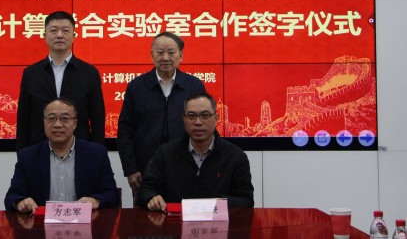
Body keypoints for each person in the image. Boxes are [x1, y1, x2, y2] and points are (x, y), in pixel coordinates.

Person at [117, 31, 206, 197]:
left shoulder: (194, 86)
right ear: (152, 56)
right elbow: (125, 131)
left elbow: (204, 128)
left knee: (184, 212)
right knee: (147, 212)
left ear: (181, 55)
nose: (165, 57)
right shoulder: (136, 87)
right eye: (160, 53)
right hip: (145, 170)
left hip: (187, 168)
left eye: (171, 52)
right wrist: (130, 169)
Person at [138, 92, 254, 210]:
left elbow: (247, 201)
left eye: (205, 115)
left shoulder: (235, 156)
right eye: (191, 116)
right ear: (184, 119)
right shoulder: (166, 153)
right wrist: (152, 197)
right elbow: (146, 189)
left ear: (216, 118)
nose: (198, 122)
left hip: (218, 221)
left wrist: (222, 203)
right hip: (175, 221)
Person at [4, 98, 119, 213]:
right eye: (51, 118)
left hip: (85, 222)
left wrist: (96, 201)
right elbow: (12, 196)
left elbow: (112, 195)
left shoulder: (96, 154)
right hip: (41, 223)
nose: (57, 124)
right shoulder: (28, 156)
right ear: (44, 122)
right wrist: (20, 202)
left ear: (75, 123)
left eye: (65, 118)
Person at [16, 11, 105, 151]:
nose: (59, 35)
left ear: (74, 36)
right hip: (38, 151)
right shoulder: (31, 73)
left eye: (65, 30)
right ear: (44, 36)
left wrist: (96, 155)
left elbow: (97, 120)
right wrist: (23, 156)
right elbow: (23, 121)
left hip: (80, 152)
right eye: (53, 30)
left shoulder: (89, 73)